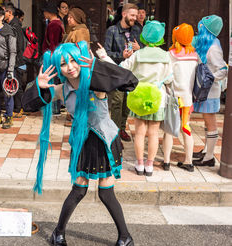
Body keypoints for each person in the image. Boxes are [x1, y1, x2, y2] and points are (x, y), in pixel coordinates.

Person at [22, 41, 138, 246]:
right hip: (82, 142)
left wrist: (98, 65)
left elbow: (130, 81)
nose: (70, 67)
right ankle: (58, 232)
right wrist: (37, 85)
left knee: (106, 193)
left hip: (104, 141)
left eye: (74, 61)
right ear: (58, 67)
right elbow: (27, 105)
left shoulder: (95, 82)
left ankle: (125, 236)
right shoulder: (62, 89)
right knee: (79, 190)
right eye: (64, 63)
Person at [98, 20, 172, 176]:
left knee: (139, 133)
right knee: (153, 133)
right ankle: (149, 166)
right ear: (161, 37)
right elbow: (169, 79)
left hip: (138, 96)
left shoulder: (138, 55)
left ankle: (139, 164)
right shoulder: (166, 56)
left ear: (144, 36)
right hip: (158, 98)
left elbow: (121, 69)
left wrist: (104, 57)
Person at [104, 3, 143, 144]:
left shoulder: (138, 30)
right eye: (132, 15)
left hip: (132, 73)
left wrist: (140, 48)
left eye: (136, 15)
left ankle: (121, 129)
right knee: (117, 102)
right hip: (116, 72)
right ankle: (114, 133)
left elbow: (145, 50)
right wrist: (121, 55)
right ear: (124, 14)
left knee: (127, 104)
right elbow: (106, 54)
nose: (135, 18)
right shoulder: (112, 31)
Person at [192, 15, 228, 166]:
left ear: (205, 29)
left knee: (211, 123)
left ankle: (209, 157)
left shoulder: (213, 48)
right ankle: (207, 151)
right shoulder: (208, 44)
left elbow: (223, 69)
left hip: (210, 92)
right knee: (208, 123)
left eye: (201, 26)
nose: (198, 28)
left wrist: (209, 78)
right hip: (206, 91)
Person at [163, 23, 198, 172]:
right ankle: (189, 161)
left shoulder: (170, 55)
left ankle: (166, 162)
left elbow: (166, 77)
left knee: (169, 129)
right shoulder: (195, 55)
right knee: (186, 128)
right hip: (187, 98)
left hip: (173, 98)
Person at [3, 3, 26, 118]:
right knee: (14, 84)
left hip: (18, 62)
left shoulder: (15, 25)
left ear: (9, 13)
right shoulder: (11, 24)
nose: (2, 14)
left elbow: (19, 45)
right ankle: (18, 107)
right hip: (16, 61)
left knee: (17, 85)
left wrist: (15, 62)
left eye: (4, 12)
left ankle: (20, 108)